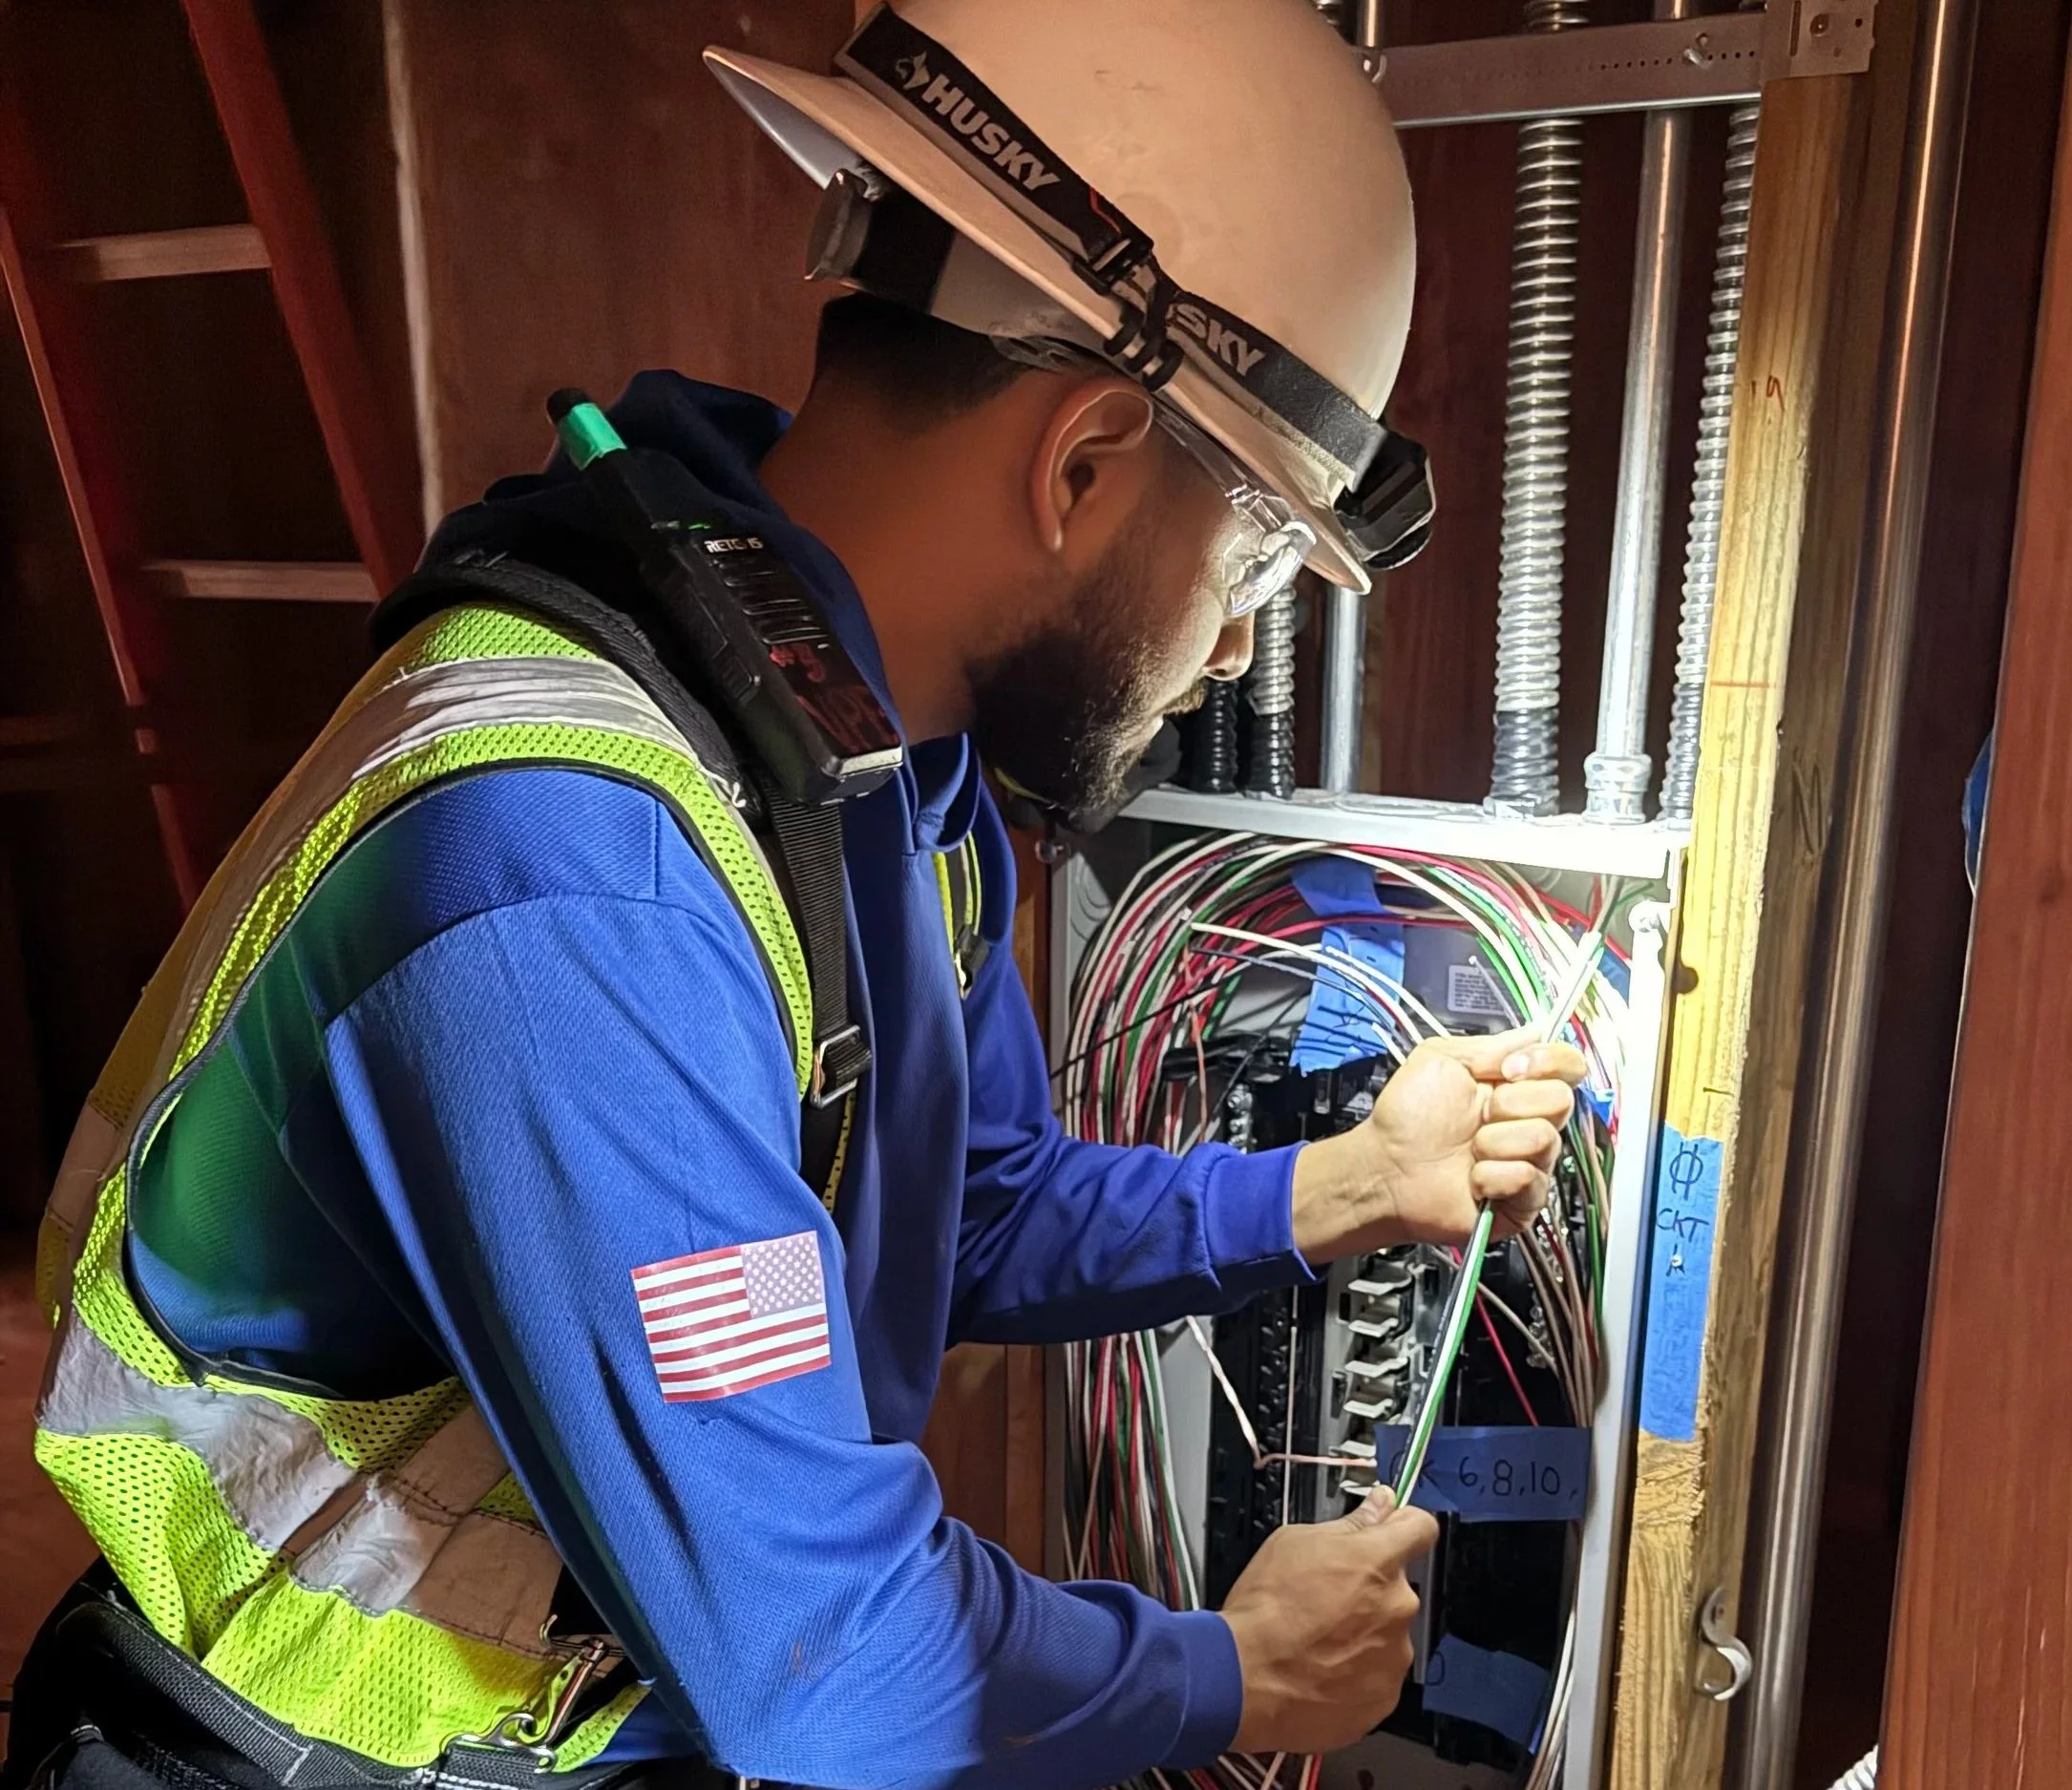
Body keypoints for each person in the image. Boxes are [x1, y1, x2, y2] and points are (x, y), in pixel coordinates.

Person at [7, 4, 1589, 1789]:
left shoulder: (868, 753)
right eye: (1250, 556)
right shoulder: (571, 879)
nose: (1232, 640)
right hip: (316, 1755)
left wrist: (1345, 1184)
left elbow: (956, 1210)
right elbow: (832, 1662)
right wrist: (1229, 1668)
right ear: (1082, 460)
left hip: (610, 1716)